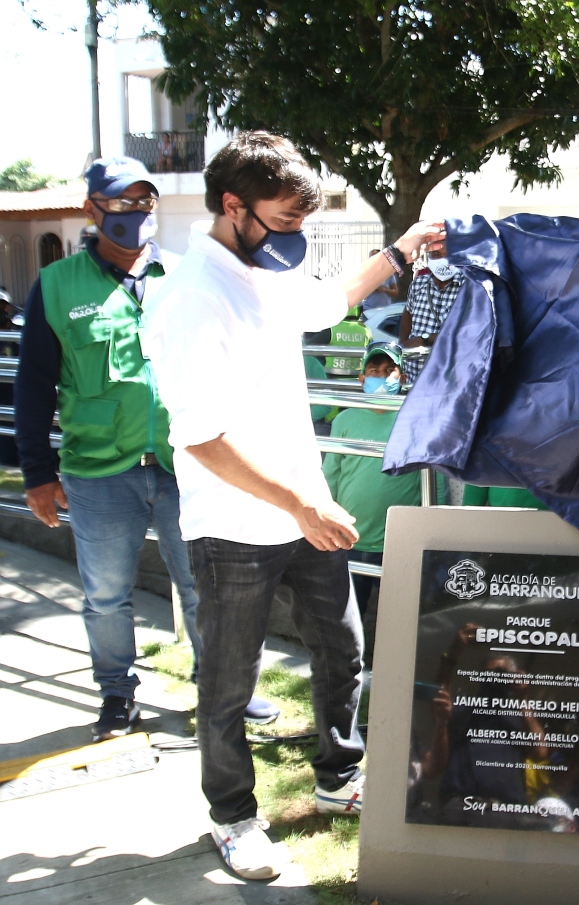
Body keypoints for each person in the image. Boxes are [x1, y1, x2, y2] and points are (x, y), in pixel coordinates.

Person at [142, 131, 440, 881]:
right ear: (233, 206)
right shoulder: (190, 298)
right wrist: (301, 504)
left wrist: (398, 252)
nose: (294, 240)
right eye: (283, 223)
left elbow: (328, 301)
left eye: (302, 224)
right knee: (229, 682)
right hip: (234, 524)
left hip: (306, 512)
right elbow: (201, 439)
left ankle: (340, 777)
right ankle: (234, 817)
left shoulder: (263, 267)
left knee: (342, 648)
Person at [13, 157, 204, 742]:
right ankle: (118, 694)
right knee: (104, 596)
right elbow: (33, 384)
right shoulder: (57, 285)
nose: (136, 212)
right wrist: (38, 473)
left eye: (144, 201)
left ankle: (221, 688)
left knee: (204, 589)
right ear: (92, 208)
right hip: (98, 470)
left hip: (188, 466)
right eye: (121, 202)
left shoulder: (187, 276)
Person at [321, 341, 423, 656]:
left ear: (402, 377)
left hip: (399, 540)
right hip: (351, 539)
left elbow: (430, 480)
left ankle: (388, 675)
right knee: (348, 615)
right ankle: (351, 670)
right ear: (362, 379)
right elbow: (331, 476)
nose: (382, 376)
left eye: (389, 370)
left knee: (398, 618)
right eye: (374, 371)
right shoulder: (345, 420)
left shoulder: (416, 419)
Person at [399, 257, 465, 384]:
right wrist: (404, 345)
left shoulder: (469, 288)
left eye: (446, 254)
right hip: (413, 376)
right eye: (436, 254)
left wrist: (424, 339)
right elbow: (408, 313)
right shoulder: (418, 284)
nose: (441, 260)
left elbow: (467, 332)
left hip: (449, 377)